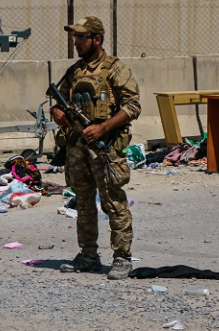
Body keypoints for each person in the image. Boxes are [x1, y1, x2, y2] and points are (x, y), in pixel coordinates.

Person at [51, 16, 140, 279]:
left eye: (81, 37)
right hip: (78, 148)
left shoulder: (115, 69)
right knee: (84, 204)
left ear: (96, 39)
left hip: (105, 147)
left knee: (114, 202)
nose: (76, 42)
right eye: (75, 37)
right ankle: (88, 255)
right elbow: (57, 99)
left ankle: (122, 258)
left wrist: (104, 127)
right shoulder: (75, 71)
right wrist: (57, 113)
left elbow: (133, 106)